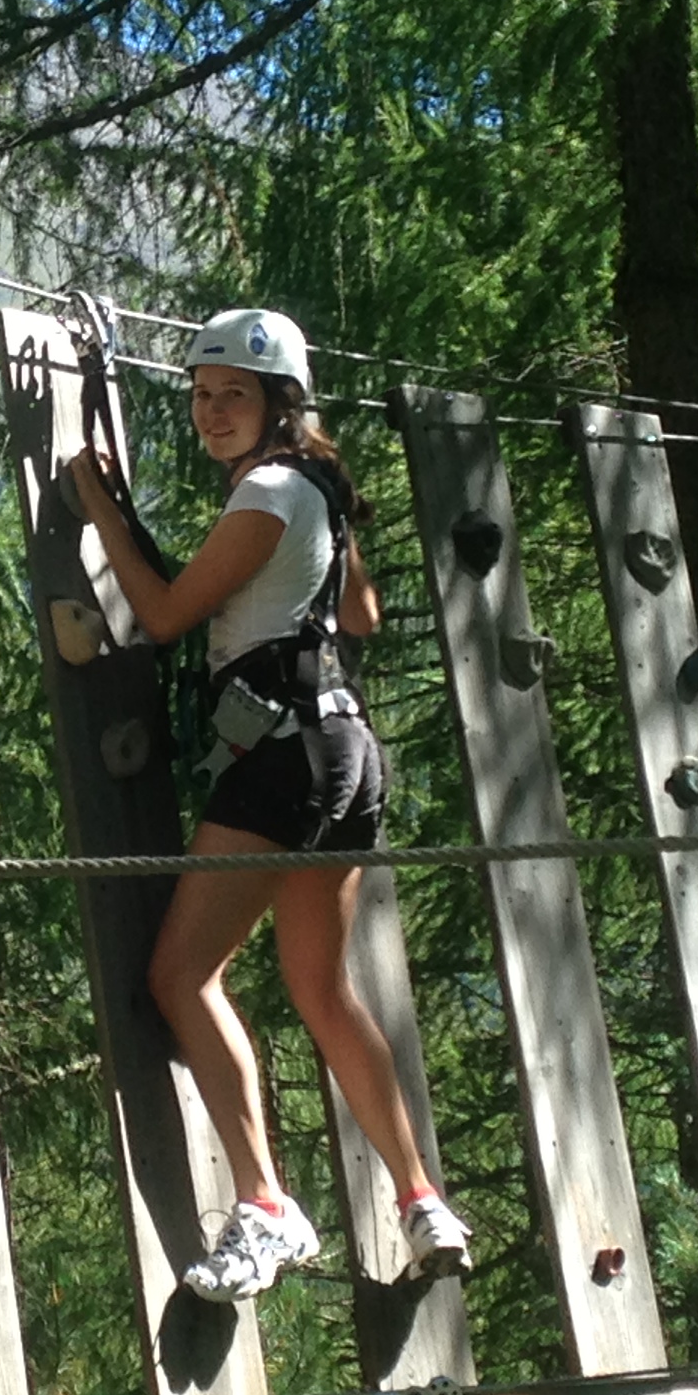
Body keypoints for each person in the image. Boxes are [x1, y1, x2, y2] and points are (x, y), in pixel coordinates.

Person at [66, 308, 473, 1301]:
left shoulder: (273, 492)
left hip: (281, 758)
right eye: (202, 395)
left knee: (180, 977)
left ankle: (265, 1206)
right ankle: (422, 1201)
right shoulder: (316, 493)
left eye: (231, 395)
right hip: (345, 752)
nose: (210, 412)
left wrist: (97, 505)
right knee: (324, 993)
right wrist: (297, 576)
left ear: (278, 402)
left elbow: (162, 617)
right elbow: (361, 614)